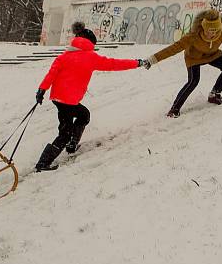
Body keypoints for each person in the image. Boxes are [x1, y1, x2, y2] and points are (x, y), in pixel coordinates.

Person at [34, 22, 146, 172]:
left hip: (58, 98)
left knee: (83, 115)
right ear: (90, 43)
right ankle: (43, 163)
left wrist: (41, 90)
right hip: (69, 100)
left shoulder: (65, 56)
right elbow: (115, 64)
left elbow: (51, 74)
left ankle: (71, 145)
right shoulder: (91, 57)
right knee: (67, 131)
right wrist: (136, 63)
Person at [143, 8, 222, 118]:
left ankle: (214, 94)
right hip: (194, 57)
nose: (212, 34)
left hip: (212, 54)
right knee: (193, 81)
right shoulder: (193, 35)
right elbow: (173, 48)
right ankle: (175, 109)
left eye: (215, 31)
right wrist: (153, 59)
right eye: (210, 31)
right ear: (204, 27)